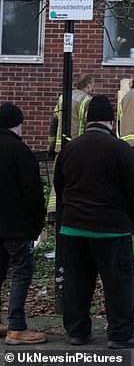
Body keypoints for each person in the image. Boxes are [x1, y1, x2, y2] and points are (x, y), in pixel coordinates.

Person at [54, 95, 134, 349]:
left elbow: (60, 188)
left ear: (87, 121)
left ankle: (78, 332)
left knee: (77, 283)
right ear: (111, 120)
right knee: (118, 284)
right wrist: (132, 221)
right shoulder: (121, 149)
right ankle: (119, 335)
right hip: (111, 230)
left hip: (73, 228)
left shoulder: (69, 149)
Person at [0, 103, 48, 345]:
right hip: (16, 226)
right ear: (17, 124)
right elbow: (33, 192)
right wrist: (36, 223)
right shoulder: (19, 150)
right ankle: (16, 327)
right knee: (21, 272)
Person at [46, 74, 95, 218]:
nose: (93, 88)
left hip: (61, 147)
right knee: (77, 178)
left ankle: (52, 212)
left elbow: (54, 122)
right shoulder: (88, 100)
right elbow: (89, 125)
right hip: (78, 147)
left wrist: (51, 145)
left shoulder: (63, 97)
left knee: (58, 178)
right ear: (89, 84)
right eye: (93, 85)